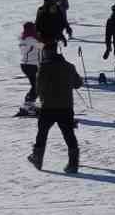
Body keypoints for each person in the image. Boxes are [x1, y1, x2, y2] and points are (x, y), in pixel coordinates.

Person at [29, 43, 82, 173]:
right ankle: (73, 164)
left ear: (46, 53)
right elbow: (78, 84)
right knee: (69, 134)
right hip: (66, 107)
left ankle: (37, 158)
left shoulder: (43, 67)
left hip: (48, 107)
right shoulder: (69, 66)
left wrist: (40, 99)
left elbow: (38, 88)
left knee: (42, 132)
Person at [18, 20, 42, 114]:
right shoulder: (31, 40)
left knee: (36, 85)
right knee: (36, 85)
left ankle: (29, 103)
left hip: (26, 64)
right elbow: (42, 46)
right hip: (31, 65)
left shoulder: (23, 39)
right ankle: (28, 104)